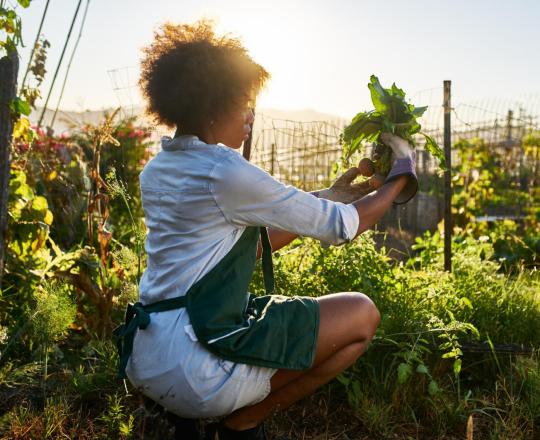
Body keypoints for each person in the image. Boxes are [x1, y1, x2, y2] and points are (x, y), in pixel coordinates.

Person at [114, 19, 418, 440]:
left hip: (147, 356)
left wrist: (330, 193)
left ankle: (177, 414)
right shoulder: (223, 170)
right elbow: (342, 228)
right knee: (362, 315)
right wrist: (400, 177)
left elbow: (240, 247)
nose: (250, 115)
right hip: (196, 365)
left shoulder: (160, 168)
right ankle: (243, 420)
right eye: (243, 103)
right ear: (210, 107)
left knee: (272, 311)